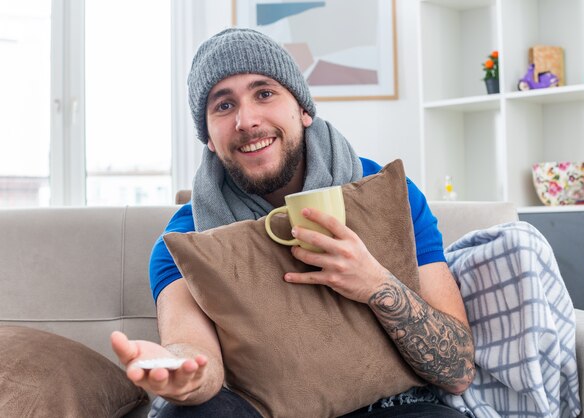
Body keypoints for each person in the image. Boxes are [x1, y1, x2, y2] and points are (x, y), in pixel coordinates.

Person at [111, 28, 476, 417]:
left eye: (264, 93)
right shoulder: (184, 240)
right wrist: (185, 375)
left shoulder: (390, 196)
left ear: (302, 109)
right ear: (210, 140)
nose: (246, 120)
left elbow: (458, 371)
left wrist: (374, 283)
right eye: (223, 106)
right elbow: (193, 349)